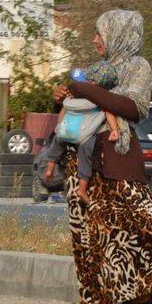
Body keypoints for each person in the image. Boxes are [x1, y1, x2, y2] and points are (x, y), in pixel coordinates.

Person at [53, 10, 152, 304]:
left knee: (142, 225)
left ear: (119, 34)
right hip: (82, 161)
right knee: (88, 234)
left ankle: (148, 291)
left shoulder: (138, 67)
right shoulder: (100, 69)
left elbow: (133, 108)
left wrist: (86, 90)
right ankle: (97, 299)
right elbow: (82, 103)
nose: (95, 40)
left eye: (101, 34)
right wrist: (63, 98)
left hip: (118, 157)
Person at [44, 61, 120, 205]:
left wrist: (59, 126)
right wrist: (115, 130)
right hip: (85, 134)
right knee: (86, 151)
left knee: (58, 139)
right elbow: (109, 112)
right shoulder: (100, 98)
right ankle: (82, 189)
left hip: (68, 129)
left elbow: (63, 112)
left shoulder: (72, 97)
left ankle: (50, 169)